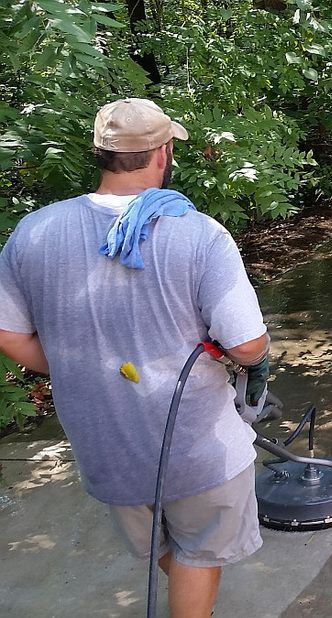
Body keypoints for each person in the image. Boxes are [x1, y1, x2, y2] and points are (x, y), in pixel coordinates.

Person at [0, 98, 269, 617]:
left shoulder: (33, 231)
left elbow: (9, 335)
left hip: (105, 445)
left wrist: (85, 368)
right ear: (163, 153)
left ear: (99, 153)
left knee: (164, 551)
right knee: (200, 549)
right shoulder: (199, 234)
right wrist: (257, 354)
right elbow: (247, 345)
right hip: (198, 446)